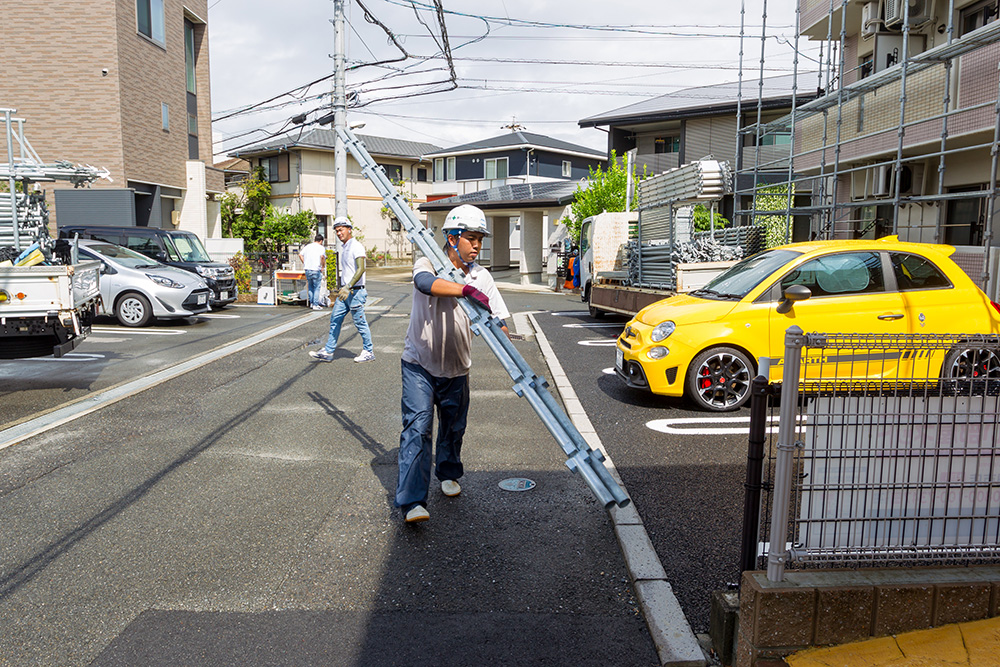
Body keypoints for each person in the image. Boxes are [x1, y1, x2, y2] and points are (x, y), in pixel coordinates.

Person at [396, 204, 510, 523]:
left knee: (453, 428)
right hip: (419, 363)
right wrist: (464, 290)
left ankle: (447, 473)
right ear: (452, 237)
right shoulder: (428, 262)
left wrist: (506, 344)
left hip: (458, 368)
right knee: (417, 429)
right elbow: (423, 283)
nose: (476, 245)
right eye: (471, 238)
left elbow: (498, 319)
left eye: (480, 240)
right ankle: (412, 501)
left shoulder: (481, 276)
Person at [308, 218, 375, 363]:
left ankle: (368, 351)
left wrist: (348, 286)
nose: (339, 233)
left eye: (341, 229)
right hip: (345, 291)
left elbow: (361, 268)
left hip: (355, 291)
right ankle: (329, 351)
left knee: (359, 322)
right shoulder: (345, 247)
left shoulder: (356, 246)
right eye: (337, 230)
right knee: (335, 319)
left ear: (349, 229)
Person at [298, 233, 327, 310]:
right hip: (316, 269)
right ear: (321, 241)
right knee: (317, 287)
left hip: (307, 269)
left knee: (310, 287)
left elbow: (300, 255)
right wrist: (323, 266)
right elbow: (322, 257)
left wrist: (305, 262)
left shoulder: (307, 246)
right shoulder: (321, 248)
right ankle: (315, 304)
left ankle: (311, 303)